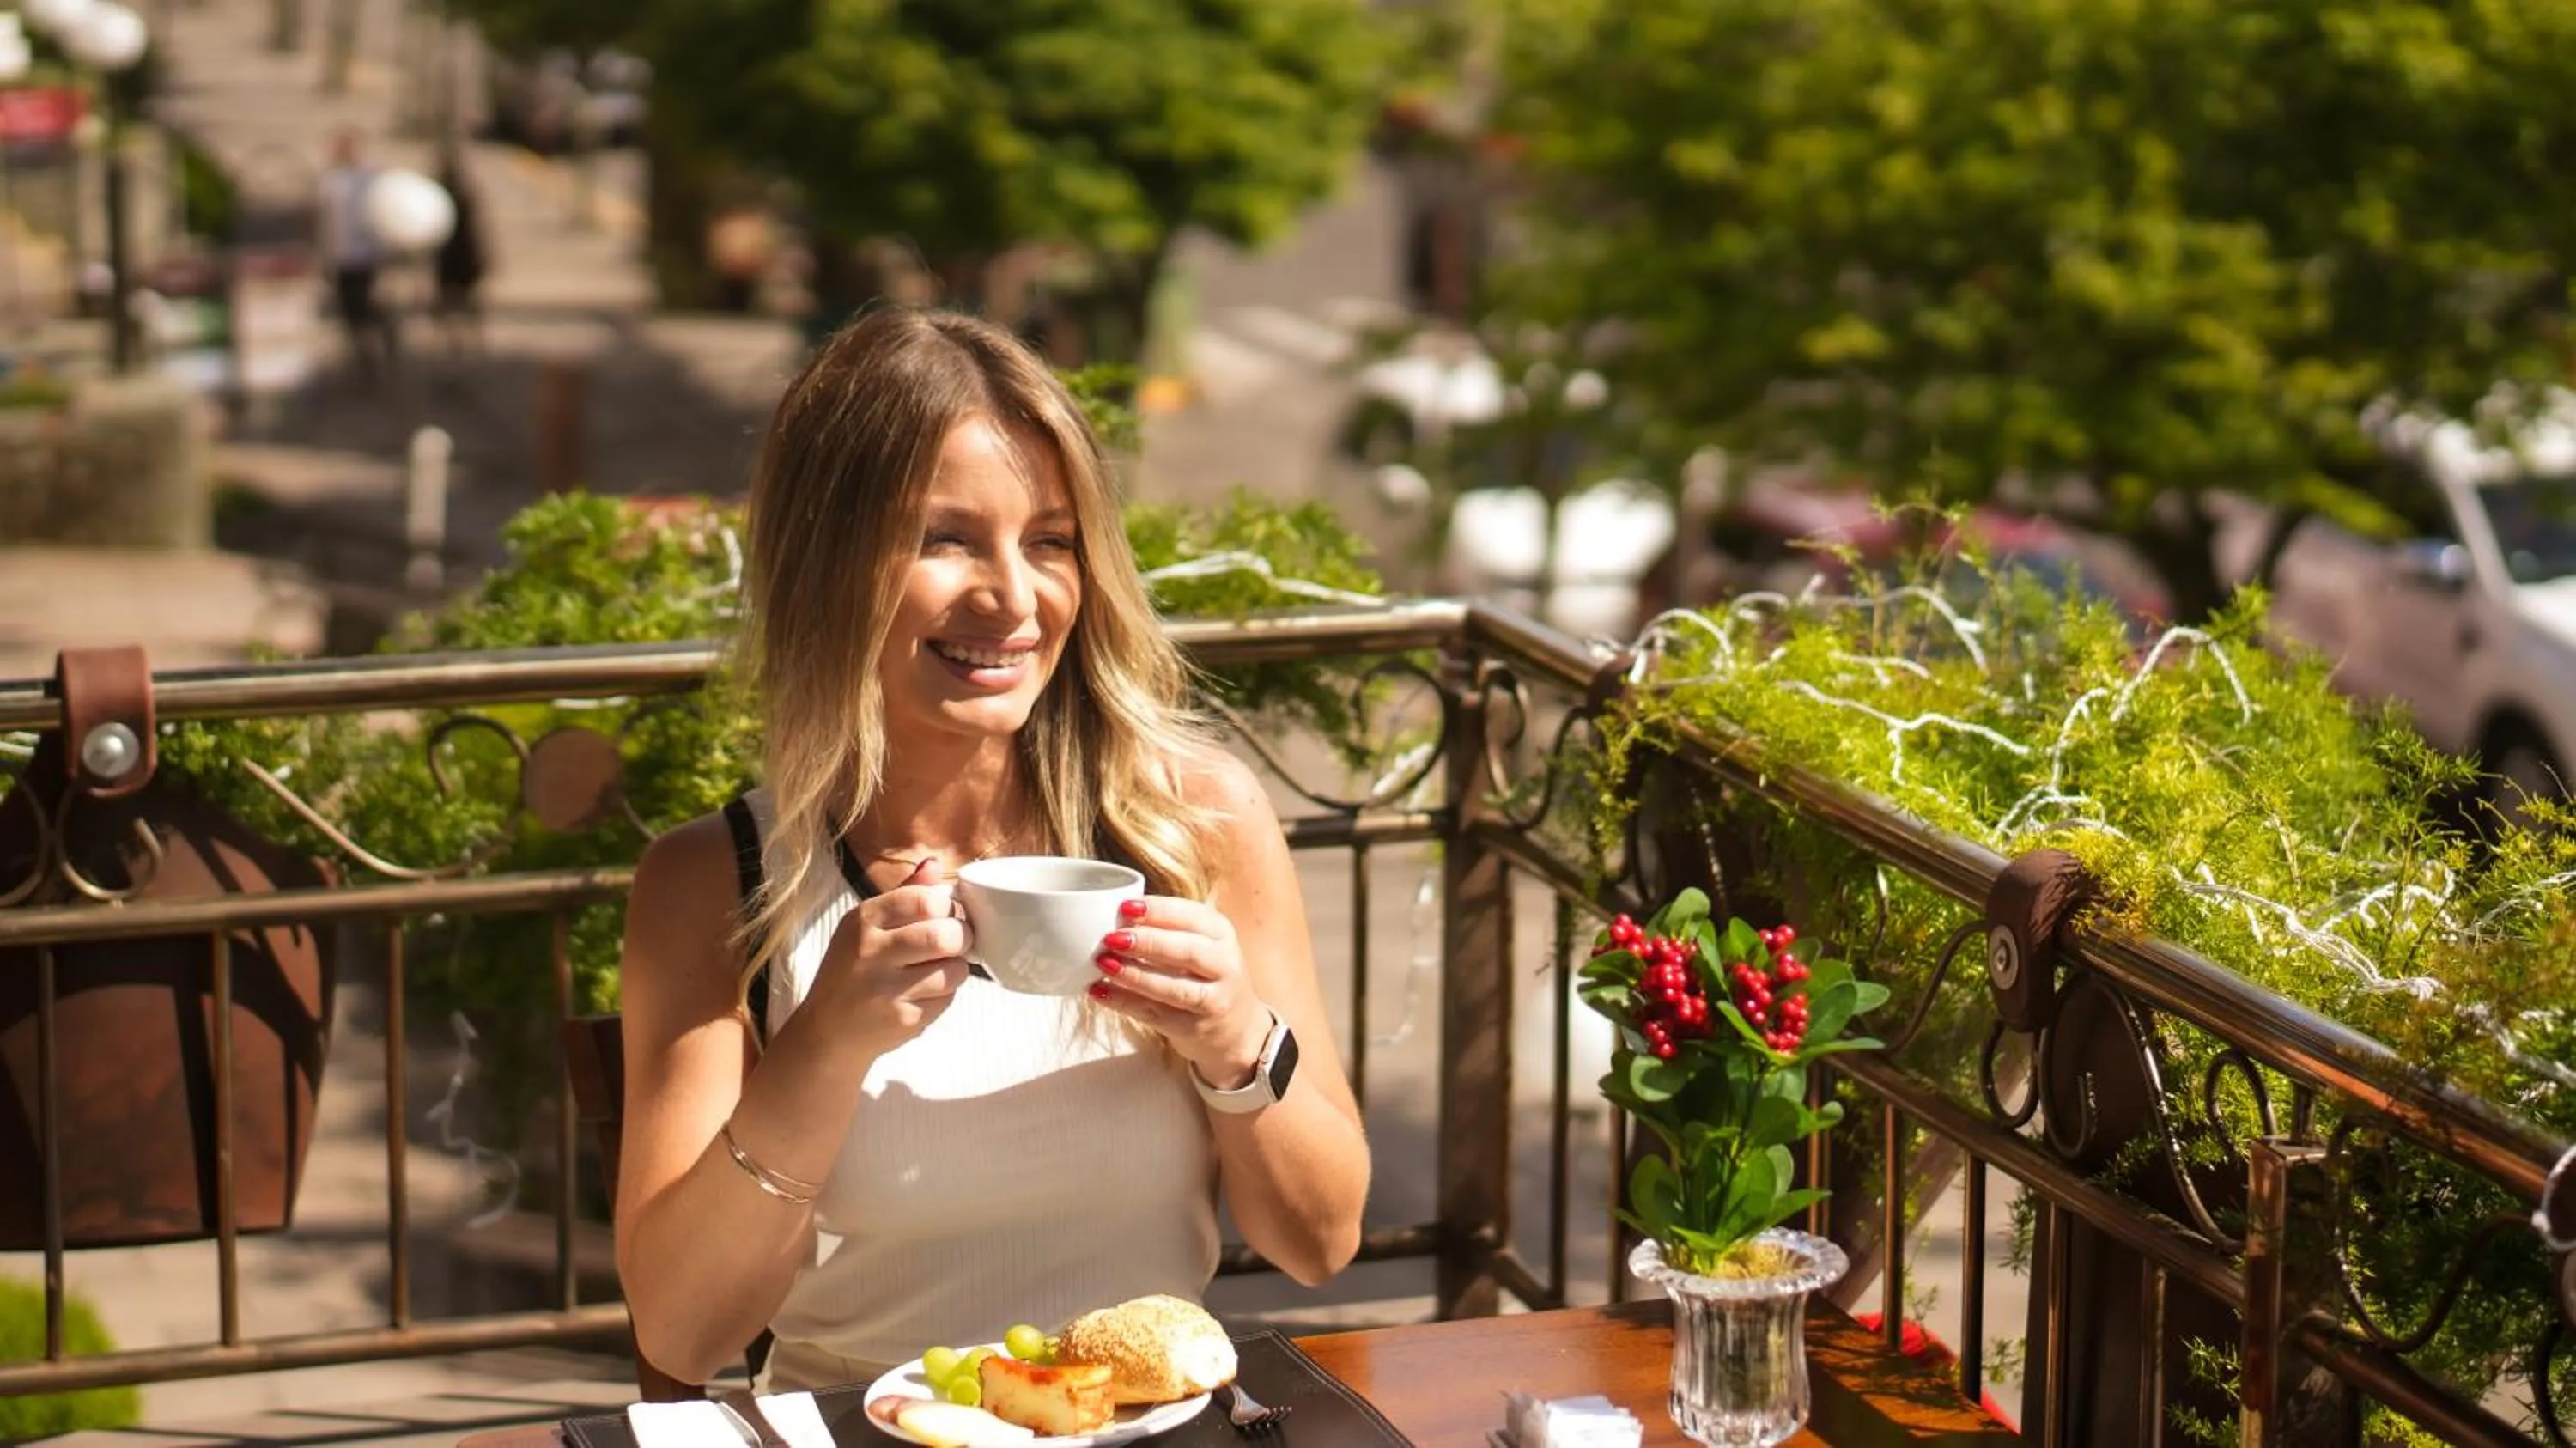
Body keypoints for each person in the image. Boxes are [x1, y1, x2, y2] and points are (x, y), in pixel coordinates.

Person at [613, 307, 1371, 1392]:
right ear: (827, 562)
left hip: (1144, 1425)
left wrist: (1236, 1038)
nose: (1013, 598)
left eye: (1050, 541)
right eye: (944, 539)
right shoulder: (718, 878)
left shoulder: (1197, 823)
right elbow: (683, 1334)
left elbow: (1322, 1240)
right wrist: (823, 1048)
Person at [315, 129, 396, 381]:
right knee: (349, 310)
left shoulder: (369, 176)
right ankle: (363, 356)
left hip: (365, 254)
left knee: (363, 304)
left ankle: (378, 341)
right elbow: (323, 220)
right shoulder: (330, 181)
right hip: (340, 256)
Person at [430, 155, 489, 356]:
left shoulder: (456, 197)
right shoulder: (448, 196)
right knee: (455, 301)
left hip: (458, 252)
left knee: (459, 301)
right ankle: (459, 339)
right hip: (454, 253)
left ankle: (465, 339)